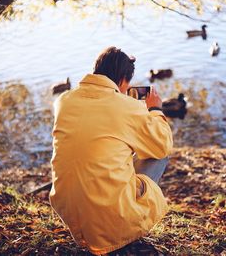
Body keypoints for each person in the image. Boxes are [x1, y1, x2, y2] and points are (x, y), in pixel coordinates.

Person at [49, 46, 173, 255]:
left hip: (68, 208)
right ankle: (123, 230)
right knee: (158, 153)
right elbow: (162, 145)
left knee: (110, 148)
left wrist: (124, 102)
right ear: (124, 79)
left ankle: (100, 228)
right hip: (108, 215)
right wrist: (155, 109)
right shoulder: (126, 107)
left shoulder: (63, 101)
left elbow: (100, 121)